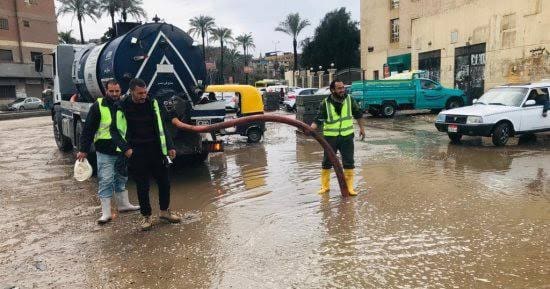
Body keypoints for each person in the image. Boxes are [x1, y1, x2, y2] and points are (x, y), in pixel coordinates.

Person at [110, 78, 181, 231]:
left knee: (164, 183)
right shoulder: (121, 106)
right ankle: (146, 216)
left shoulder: (152, 103)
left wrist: (170, 146)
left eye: (145, 92)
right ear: (131, 92)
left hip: (156, 150)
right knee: (142, 186)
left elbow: (162, 126)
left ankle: (164, 212)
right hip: (136, 152)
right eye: (140, 93)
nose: (143, 96)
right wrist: (126, 149)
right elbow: (114, 132)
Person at [76, 79, 140, 224]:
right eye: (111, 91)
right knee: (106, 180)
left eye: (117, 91)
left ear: (121, 91)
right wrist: (83, 150)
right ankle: (106, 213)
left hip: (122, 150)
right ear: (106, 91)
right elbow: (88, 129)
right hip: (105, 150)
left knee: (121, 177)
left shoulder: (124, 104)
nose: (114, 94)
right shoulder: (98, 105)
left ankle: (123, 205)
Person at [310, 80, 366, 196]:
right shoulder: (325, 103)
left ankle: (349, 188)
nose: (342, 90)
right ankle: (325, 187)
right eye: (339, 88)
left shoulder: (349, 100)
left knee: (349, 162)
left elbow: (358, 114)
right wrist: (310, 129)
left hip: (347, 137)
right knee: (327, 162)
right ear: (332, 90)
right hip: (331, 138)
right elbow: (318, 119)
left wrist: (362, 129)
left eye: (343, 88)